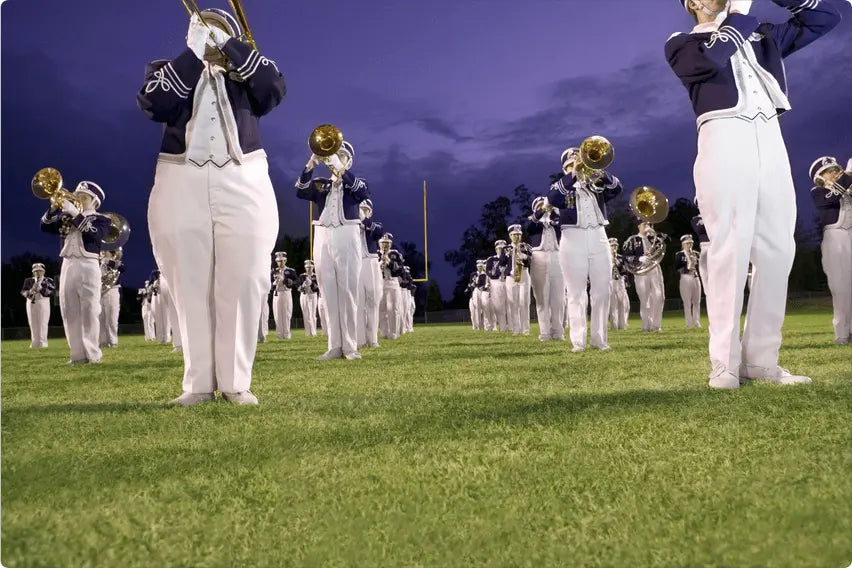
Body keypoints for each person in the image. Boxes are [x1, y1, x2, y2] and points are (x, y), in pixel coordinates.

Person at [665, 0, 839, 387]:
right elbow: (711, 62)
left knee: (778, 250)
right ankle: (724, 365)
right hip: (723, 135)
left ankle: (761, 360)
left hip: (770, 136)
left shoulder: (760, 35)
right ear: (693, 3)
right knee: (730, 248)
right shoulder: (681, 43)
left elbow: (827, 16)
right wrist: (740, 15)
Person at [138, 9, 286, 404]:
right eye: (203, 27)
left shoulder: (248, 70)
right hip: (180, 177)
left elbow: (272, 90)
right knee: (187, 282)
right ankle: (198, 384)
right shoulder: (167, 68)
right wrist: (193, 52)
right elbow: (155, 104)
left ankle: (237, 382)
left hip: (244, 176)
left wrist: (230, 46)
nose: (210, 33)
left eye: (219, 28)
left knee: (245, 276)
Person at [296, 141, 370, 360]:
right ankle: (334, 346)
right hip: (323, 235)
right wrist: (311, 164)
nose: (335, 157)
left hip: (346, 232)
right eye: (333, 154)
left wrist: (340, 168)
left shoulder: (356, 182)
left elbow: (361, 192)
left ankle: (350, 346)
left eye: (341, 155)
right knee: (327, 293)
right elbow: (300, 191)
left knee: (347, 290)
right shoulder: (321, 184)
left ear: (350, 160)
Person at [547, 147, 623, 352]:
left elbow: (617, 188)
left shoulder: (595, 184)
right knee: (576, 293)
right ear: (565, 168)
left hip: (599, 236)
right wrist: (574, 174)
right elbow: (553, 199)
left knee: (602, 290)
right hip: (573, 239)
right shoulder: (561, 186)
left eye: (580, 163)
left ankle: (599, 340)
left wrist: (600, 172)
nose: (579, 166)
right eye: (572, 164)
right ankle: (578, 341)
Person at [41, 182, 110, 364]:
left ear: (95, 201)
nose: (79, 198)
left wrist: (75, 214)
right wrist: (53, 209)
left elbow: (93, 234)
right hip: (68, 265)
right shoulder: (67, 216)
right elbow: (45, 226)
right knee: (68, 310)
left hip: (88, 265)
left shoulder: (102, 219)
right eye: (77, 195)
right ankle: (77, 355)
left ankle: (93, 354)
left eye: (84, 197)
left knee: (90, 310)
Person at [810, 156, 852, 344]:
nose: (837, 172)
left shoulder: (846, 190)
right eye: (831, 171)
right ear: (820, 176)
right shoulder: (818, 192)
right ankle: (842, 334)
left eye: (838, 169)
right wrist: (849, 174)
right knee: (841, 288)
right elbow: (833, 195)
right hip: (835, 240)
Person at [526, 197, 565, 342]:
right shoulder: (533, 221)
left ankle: (558, 331)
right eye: (541, 206)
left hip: (557, 256)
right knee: (542, 298)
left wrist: (554, 210)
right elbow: (529, 228)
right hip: (539, 258)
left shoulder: (556, 220)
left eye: (547, 205)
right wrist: (542, 211)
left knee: (559, 298)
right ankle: (545, 332)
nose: (545, 208)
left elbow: (562, 226)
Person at [623, 222, 666, 333]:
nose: (647, 226)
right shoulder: (632, 240)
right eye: (644, 224)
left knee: (659, 296)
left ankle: (656, 326)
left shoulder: (654, 238)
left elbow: (667, 241)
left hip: (655, 269)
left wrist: (655, 234)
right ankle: (646, 326)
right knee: (645, 300)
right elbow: (626, 257)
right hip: (641, 272)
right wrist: (639, 258)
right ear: (638, 226)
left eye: (649, 224)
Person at [356, 199, 385, 348]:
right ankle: (360, 340)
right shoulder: (352, 227)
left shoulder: (375, 225)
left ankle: (373, 338)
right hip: (356, 264)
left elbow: (379, 233)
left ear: (370, 211)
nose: (362, 211)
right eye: (360, 209)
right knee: (358, 302)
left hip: (371, 262)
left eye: (365, 209)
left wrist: (364, 220)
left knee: (373, 300)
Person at [505, 224, 533, 336]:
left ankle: (525, 329)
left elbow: (532, 260)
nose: (516, 237)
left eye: (518, 234)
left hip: (524, 275)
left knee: (524, 302)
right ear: (510, 236)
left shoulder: (526, 246)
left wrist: (525, 257)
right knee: (513, 304)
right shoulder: (506, 248)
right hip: (511, 277)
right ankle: (516, 328)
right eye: (513, 235)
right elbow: (501, 263)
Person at [21, 263, 56, 349]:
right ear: (33, 272)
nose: (38, 273)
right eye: (36, 271)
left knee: (43, 322)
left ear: (44, 271)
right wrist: (31, 291)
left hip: (43, 301)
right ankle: (34, 343)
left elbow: (52, 292)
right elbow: (23, 292)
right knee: (32, 323)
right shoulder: (28, 280)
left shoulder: (48, 280)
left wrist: (41, 289)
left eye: (40, 271)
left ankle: (43, 343)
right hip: (30, 302)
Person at [378, 234, 405, 339]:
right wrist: (379, 264)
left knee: (392, 309)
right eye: (383, 240)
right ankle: (383, 332)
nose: (384, 241)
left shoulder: (395, 254)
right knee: (381, 309)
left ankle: (393, 332)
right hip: (380, 282)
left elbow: (400, 270)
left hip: (392, 282)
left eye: (387, 241)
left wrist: (389, 262)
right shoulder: (375, 253)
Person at [675, 235, 703, 328]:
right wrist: (686, 265)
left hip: (695, 277)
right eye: (687, 243)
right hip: (685, 277)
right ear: (683, 245)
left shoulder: (696, 253)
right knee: (687, 302)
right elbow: (677, 267)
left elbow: (701, 266)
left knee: (697, 301)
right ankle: (689, 323)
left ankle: (697, 322)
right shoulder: (680, 254)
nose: (689, 245)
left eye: (691, 243)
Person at [99, 249, 125, 348]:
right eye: (101, 252)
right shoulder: (98, 263)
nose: (102, 253)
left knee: (112, 318)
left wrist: (108, 262)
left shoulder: (115, 263)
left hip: (112, 290)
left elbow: (123, 268)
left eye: (105, 252)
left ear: (112, 254)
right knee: (101, 318)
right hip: (100, 292)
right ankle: (103, 342)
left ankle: (113, 341)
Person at [271, 251, 299, 340]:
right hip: (276, 294)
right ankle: (279, 335)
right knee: (277, 314)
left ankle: (286, 334)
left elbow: (297, 281)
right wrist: (273, 284)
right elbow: (270, 284)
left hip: (286, 293)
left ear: (285, 260)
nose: (279, 263)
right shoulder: (273, 271)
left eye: (281, 261)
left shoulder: (290, 271)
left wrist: (286, 280)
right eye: (278, 261)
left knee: (286, 314)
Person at [485, 240, 510, 332]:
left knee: (510, 304)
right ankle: (503, 326)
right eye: (499, 248)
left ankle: (511, 326)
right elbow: (488, 271)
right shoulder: (491, 259)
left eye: (503, 248)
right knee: (499, 306)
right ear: (496, 249)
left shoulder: (509, 258)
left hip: (508, 281)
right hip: (496, 282)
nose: (501, 250)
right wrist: (496, 273)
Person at [608, 238, 630, 330]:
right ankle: (614, 325)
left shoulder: (621, 257)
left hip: (620, 281)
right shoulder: (605, 258)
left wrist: (618, 264)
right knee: (613, 304)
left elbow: (625, 270)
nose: (614, 247)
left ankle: (623, 324)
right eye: (612, 246)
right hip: (610, 281)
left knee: (624, 303)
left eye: (615, 246)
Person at [298, 260, 320, 337]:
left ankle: (314, 332)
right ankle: (308, 332)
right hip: (304, 296)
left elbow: (318, 288)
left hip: (312, 295)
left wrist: (312, 284)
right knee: (305, 314)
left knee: (312, 314)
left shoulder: (316, 276)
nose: (308, 269)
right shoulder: (302, 276)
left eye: (310, 267)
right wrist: (302, 286)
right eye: (307, 267)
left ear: (313, 267)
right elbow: (298, 287)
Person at [472, 260, 491, 331]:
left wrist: (483, 286)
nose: (479, 268)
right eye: (478, 266)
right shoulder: (474, 274)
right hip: (476, 291)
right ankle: (479, 326)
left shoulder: (485, 275)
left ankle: (487, 326)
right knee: (477, 310)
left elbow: (485, 284)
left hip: (483, 292)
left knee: (485, 309)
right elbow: (472, 284)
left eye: (481, 266)